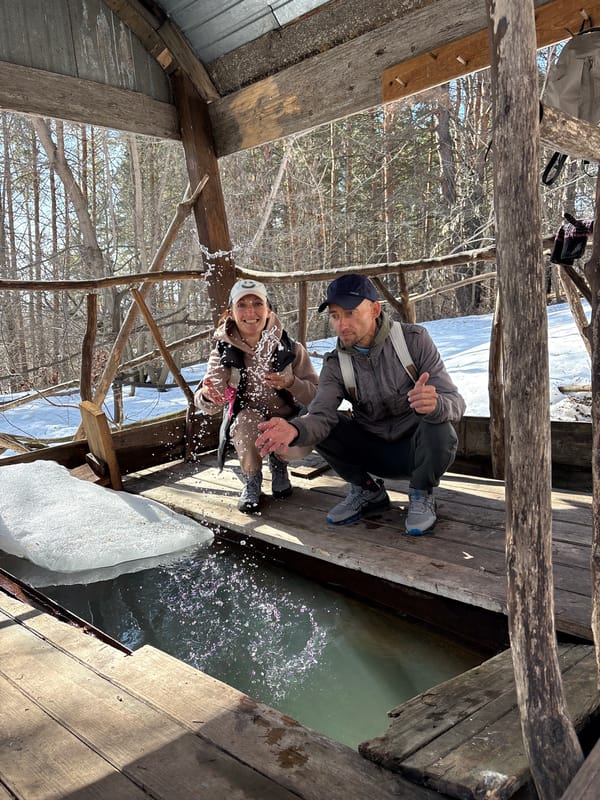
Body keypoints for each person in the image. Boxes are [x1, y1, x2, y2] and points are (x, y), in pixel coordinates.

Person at [256, 274, 465, 534]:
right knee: (318, 420)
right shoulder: (335, 363)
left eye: (351, 313)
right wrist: (296, 429)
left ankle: (421, 493)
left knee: (440, 425)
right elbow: (321, 414)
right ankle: (367, 492)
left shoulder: (414, 340)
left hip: (415, 452)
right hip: (371, 451)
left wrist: (436, 404)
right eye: (335, 316)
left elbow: (456, 403)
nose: (342, 324)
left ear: (375, 309)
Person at [195, 278, 318, 513]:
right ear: (230, 312)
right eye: (242, 305)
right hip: (248, 426)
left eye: (257, 303)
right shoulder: (222, 352)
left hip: (289, 423)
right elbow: (204, 401)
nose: (250, 312)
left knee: (288, 433)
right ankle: (252, 479)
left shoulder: (291, 349)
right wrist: (210, 397)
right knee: (245, 420)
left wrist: (292, 382)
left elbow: (317, 397)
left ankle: (279, 464)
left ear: (268, 309)